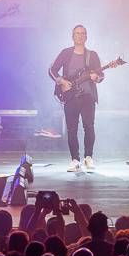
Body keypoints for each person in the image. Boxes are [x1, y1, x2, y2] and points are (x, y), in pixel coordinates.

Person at [49, 25, 104, 172]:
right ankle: (75, 160)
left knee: (89, 127)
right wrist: (62, 81)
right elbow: (52, 70)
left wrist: (96, 77)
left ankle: (88, 158)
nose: (79, 36)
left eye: (82, 33)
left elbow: (101, 75)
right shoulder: (66, 53)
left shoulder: (92, 55)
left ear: (86, 37)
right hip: (71, 97)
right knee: (72, 129)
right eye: (77, 33)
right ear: (72, 36)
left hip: (88, 96)